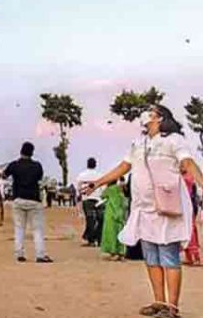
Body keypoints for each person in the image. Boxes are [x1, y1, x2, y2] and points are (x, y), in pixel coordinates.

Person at [82, 105, 203, 318]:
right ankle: (159, 302)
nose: (145, 114)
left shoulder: (174, 140)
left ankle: (172, 308)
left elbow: (187, 162)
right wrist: (98, 182)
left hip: (167, 208)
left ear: (160, 118)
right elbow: (123, 167)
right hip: (143, 209)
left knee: (169, 256)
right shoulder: (138, 143)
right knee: (151, 257)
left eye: (150, 111)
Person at [4, 142, 53, 263]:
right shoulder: (37, 166)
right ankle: (40, 255)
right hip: (34, 200)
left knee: (19, 228)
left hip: (18, 199)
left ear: (21, 151)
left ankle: (19, 254)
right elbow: (39, 178)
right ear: (32, 153)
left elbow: (4, 175)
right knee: (37, 229)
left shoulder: (14, 165)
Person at [75, 158, 104, 247]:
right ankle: (99, 239)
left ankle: (91, 240)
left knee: (90, 220)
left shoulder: (81, 175)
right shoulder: (100, 175)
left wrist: (79, 200)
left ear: (87, 164)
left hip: (87, 200)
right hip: (99, 200)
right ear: (95, 165)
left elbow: (78, 189)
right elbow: (103, 187)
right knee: (100, 220)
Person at [100, 179, 127, 261]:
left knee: (111, 233)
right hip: (120, 213)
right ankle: (121, 252)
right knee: (120, 232)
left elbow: (102, 195)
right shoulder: (120, 189)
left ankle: (113, 252)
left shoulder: (109, 190)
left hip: (111, 213)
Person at [182, 168, 200, 266]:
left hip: (188, 205)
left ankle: (196, 257)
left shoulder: (188, 176)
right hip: (183, 206)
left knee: (191, 231)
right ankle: (189, 257)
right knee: (185, 230)